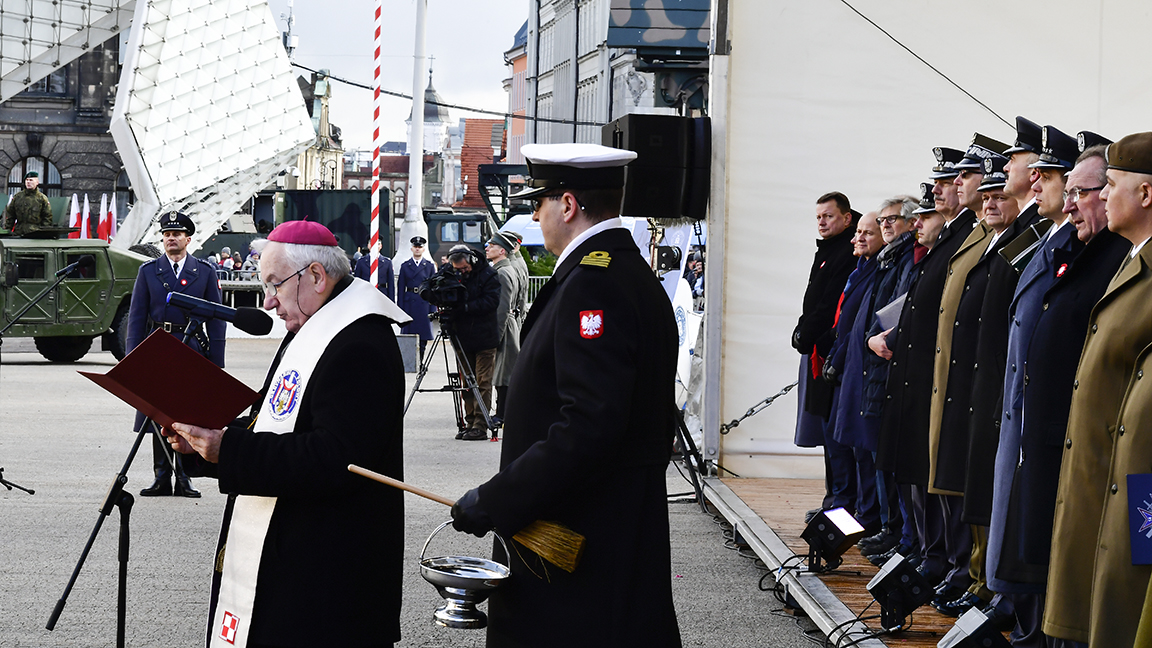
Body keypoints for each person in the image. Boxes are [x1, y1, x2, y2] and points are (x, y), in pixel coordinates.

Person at [449, 142, 681, 646]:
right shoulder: (619, 272)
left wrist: (498, 498)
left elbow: (589, 424)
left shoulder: (594, 284)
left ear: (568, 205)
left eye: (539, 203)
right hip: (607, 525)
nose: (536, 216)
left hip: (582, 534)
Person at [164, 219, 410, 648]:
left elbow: (336, 458)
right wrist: (206, 443)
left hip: (328, 573)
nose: (269, 301)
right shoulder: (315, 325)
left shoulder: (360, 342)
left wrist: (230, 449)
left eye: (275, 284)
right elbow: (275, 423)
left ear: (315, 275)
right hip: (297, 555)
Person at [1045, 132, 1152, 648]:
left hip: (1135, 491)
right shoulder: (1132, 260)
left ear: (1146, 194)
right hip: (1101, 480)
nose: (1102, 195)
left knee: (1122, 614)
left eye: (1111, 184)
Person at [126, 211, 225, 499]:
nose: (171, 238)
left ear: (188, 239)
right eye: (167, 234)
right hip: (158, 347)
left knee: (187, 414)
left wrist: (216, 361)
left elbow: (217, 318)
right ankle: (161, 476)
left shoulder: (204, 271)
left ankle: (184, 476)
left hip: (191, 348)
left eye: (177, 234)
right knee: (157, 412)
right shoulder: (148, 271)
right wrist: (132, 359)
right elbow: (137, 317)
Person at [793, 191, 859, 520]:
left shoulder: (846, 253)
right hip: (820, 350)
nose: (821, 222)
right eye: (818, 217)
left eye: (828, 216)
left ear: (847, 219)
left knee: (837, 434)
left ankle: (841, 502)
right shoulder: (828, 250)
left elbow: (830, 304)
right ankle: (835, 498)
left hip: (832, 352)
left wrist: (806, 334)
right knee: (828, 432)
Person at [445, 244, 500, 441]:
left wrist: (466, 307)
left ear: (472, 261)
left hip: (484, 337)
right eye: (458, 270)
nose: (462, 272)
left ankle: (480, 425)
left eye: (464, 269)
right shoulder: (451, 273)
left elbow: (492, 302)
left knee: (482, 382)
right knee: (467, 382)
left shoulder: (489, 275)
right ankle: (469, 422)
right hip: (462, 337)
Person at [487, 231, 526, 427]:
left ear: (502, 250)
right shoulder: (506, 268)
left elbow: (502, 308)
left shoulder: (502, 272)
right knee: (504, 372)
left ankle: (502, 415)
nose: (488, 248)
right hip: (509, 323)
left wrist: (496, 336)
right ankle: (503, 413)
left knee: (504, 374)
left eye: (492, 246)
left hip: (505, 325)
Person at [396, 236, 437, 362]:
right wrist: (400, 308)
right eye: (415, 247)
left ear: (423, 249)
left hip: (424, 302)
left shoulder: (429, 266)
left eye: (420, 247)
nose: (417, 249)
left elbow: (433, 288)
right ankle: (409, 362)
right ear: (411, 249)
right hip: (409, 303)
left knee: (423, 336)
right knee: (409, 335)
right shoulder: (405, 266)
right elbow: (401, 288)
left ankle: (421, 361)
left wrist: (433, 308)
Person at [1, 171, 54, 236]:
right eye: (27, 180)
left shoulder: (42, 198)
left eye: (31, 180)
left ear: (37, 182)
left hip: (34, 233)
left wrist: (43, 233)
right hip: (18, 233)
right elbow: (10, 215)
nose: (28, 182)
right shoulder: (17, 197)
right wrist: (7, 231)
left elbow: (47, 217)